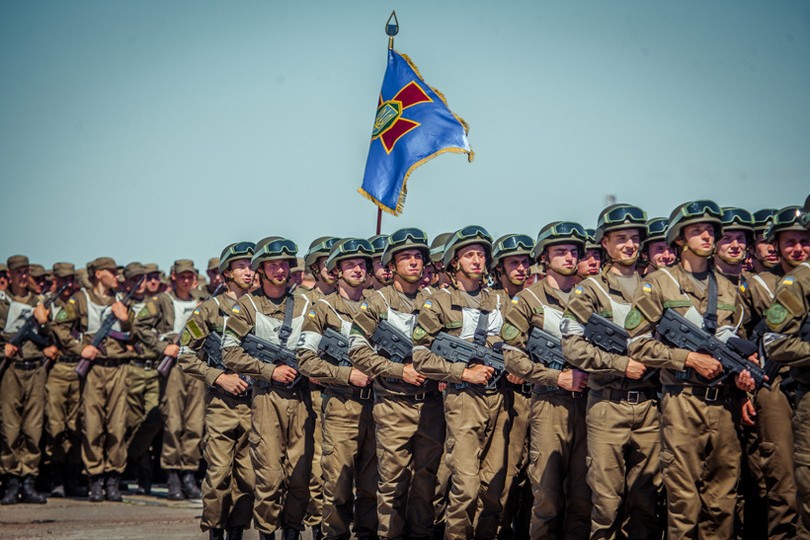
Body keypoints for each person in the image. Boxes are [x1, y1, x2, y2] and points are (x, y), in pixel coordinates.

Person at [624, 200, 757, 538]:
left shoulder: (728, 287)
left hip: (723, 403)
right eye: (696, 231)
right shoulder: (658, 283)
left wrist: (744, 381)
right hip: (681, 400)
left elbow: (737, 342)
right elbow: (637, 344)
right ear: (679, 239)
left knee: (722, 498)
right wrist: (688, 359)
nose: (706, 237)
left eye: (710, 231)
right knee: (683, 501)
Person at [561, 205, 662, 539]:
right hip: (607, 404)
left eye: (635, 238)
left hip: (650, 406)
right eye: (621, 239)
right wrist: (621, 364)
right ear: (604, 243)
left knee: (646, 501)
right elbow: (573, 347)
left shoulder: (657, 287)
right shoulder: (589, 291)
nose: (630, 245)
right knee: (606, 501)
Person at [412, 225, 510, 539]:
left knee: (495, 488)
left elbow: (519, 343)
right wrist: (463, 373)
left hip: (500, 399)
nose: (476, 261)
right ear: (455, 261)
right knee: (466, 487)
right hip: (464, 398)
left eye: (481, 255)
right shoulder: (438, 302)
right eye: (469, 255)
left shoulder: (500, 300)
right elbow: (420, 356)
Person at [349, 228, 443, 539]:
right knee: (391, 482)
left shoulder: (437, 300)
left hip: (431, 405)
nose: (414, 262)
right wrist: (396, 370)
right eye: (406, 257)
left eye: (418, 257)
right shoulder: (376, 302)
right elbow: (357, 349)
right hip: (393, 404)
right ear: (392, 264)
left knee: (427, 482)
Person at [500, 222, 591, 539]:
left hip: (591, 407)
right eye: (560, 251)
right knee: (548, 498)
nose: (569, 257)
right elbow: (511, 356)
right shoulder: (527, 300)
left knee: (583, 498)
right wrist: (557, 377)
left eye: (573, 252)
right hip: (550, 405)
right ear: (544, 256)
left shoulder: (589, 296)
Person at [297, 238, 377, 540]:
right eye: (349, 264)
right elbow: (306, 361)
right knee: (338, 485)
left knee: (372, 485)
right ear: (335, 270)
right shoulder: (322, 309)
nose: (357, 269)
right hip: (342, 406)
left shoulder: (378, 305)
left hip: (380, 405)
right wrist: (346, 375)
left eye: (362, 264)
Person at [181, 242, 257, 540]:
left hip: (256, 402)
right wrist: (218, 377)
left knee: (249, 475)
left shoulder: (261, 308)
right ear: (227, 273)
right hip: (222, 404)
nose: (248, 272)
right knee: (218, 474)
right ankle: (215, 530)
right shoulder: (209, 310)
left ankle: (237, 530)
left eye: (252, 266)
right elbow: (186, 355)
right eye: (241, 267)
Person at [51, 256, 133, 502]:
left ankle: (113, 479)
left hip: (118, 368)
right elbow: (58, 326)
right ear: (98, 273)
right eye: (111, 271)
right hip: (94, 369)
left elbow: (135, 333)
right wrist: (79, 349)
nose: (116, 276)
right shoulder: (80, 299)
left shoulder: (120, 300)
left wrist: (126, 320)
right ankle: (95, 478)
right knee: (93, 425)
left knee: (117, 426)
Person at [133, 259, 204, 500]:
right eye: (181, 276)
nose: (185, 280)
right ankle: (173, 474)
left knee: (194, 423)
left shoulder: (201, 300)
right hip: (173, 367)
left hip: (196, 365)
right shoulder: (162, 300)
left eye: (189, 276)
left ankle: (189, 473)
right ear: (173, 277)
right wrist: (163, 346)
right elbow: (139, 325)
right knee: (173, 422)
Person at [487, 234, 534, 539]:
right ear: (499, 269)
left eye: (524, 262)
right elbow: (483, 342)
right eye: (513, 263)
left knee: (534, 475)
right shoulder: (488, 301)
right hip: (501, 395)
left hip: (538, 394)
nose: (520, 268)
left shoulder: (537, 298)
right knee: (502, 474)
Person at [296, 235, 338, 538]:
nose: (334, 268)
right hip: (304, 392)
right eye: (327, 262)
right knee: (312, 465)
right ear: (315, 266)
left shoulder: (352, 299)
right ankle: (314, 526)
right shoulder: (298, 301)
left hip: (342, 390)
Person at [0, 255, 49, 505]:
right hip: (12, 369)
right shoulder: (2, 303)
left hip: (35, 368)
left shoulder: (38, 302)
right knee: (10, 428)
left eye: (26, 271)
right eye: (18, 271)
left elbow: (51, 338)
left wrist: (43, 324)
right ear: (9, 274)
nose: (23, 275)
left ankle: (28, 479)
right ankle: (10, 481)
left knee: (33, 427)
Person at [43, 262, 82, 498]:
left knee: (76, 425)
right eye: (64, 279)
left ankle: (73, 478)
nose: (68, 284)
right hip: (57, 369)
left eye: (72, 279)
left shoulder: (77, 302)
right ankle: (55, 478)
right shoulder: (46, 304)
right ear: (55, 279)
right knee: (55, 425)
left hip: (77, 367)